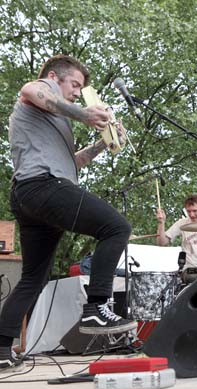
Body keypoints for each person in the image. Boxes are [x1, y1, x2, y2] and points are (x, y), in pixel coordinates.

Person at [1, 55, 136, 372]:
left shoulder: (56, 121)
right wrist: (85, 113)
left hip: (33, 193)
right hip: (42, 186)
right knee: (116, 228)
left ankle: (0, 346)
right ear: (54, 77)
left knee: (34, 278)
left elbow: (71, 163)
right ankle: (96, 307)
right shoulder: (42, 90)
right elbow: (32, 92)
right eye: (75, 84)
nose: (77, 92)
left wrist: (105, 142)